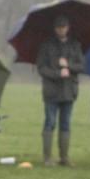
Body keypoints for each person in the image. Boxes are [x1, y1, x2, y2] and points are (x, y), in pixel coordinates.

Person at [36, 14, 84, 166]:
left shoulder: (75, 45)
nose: (61, 30)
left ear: (68, 28)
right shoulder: (46, 45)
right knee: (50, 122)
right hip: (51, 91)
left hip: (69, 91)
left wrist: (68, 65)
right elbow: (41, 68)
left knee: (66, 123)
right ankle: (47, 158)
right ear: (55, 29)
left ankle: (64, 157)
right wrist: (58, 73)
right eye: (58, 27)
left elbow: (81, 65)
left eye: (63, 27)